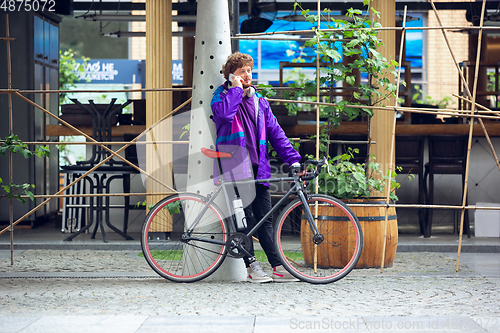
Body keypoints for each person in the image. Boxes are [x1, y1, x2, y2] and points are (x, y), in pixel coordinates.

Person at [211, 52, 302, 283]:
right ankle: (252, 268)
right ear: (232, 75)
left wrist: (293, 159)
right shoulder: (221, 96)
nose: (247, 75)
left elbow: (277, 134)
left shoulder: (260, 101)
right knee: (244, 219)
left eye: (249, 71)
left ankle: (278, 267)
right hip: (234, 166)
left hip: (258, 169)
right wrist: (234, 89)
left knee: (265, 218)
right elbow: (223, 116)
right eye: (242, 71)